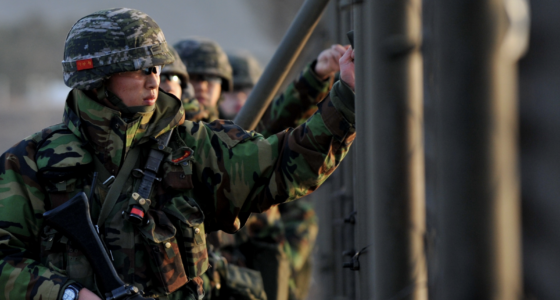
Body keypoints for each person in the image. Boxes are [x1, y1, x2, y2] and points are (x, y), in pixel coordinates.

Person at [0, 7, 356, 300]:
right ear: (97, 75)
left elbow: (286, 163)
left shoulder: (193, 147)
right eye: (141, 68)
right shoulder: (31, 163)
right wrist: (68, 295)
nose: (155, 78)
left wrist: (346, 99)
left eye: (156, 67)